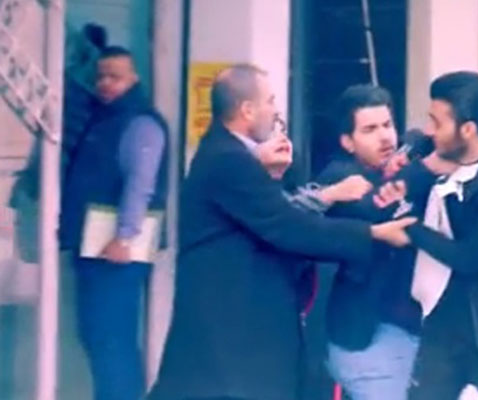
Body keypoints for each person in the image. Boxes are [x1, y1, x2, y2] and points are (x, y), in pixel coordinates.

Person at [148, 64, 416, 400]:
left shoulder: (233, 156)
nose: (275, 111)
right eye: (270, 101)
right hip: (229, 327)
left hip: (240, 333)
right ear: (247, 110)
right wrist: (372, 233)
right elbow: (288, 226)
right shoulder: (229, 160)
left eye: (387, 126)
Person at [378, 71, 478, 400]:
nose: (429, 130)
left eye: (437, 123)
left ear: (468, 129)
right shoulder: (441, 154)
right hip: (443, 327)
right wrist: (414, 162)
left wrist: (411, 229)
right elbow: (417, 142)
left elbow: (470, 257)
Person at [313, 85, 444, 400]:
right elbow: (378, 207)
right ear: (347, 141)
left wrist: (413, 149)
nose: (384, 137)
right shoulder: (341, 177)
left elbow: (419, 137)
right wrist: (421, 168)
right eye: (369, 130)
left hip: (409, 328)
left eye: (387, 125)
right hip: (368, 334)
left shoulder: (399, 165)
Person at [60, 46, 168, 400]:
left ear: (133, 79)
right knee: (98, 335)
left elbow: (140, 183)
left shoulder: (139, 123)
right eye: (101, 76)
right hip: (96, 248)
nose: (105, 83)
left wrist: (124, 236)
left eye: (115, 77)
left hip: (116, 252)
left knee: (111, 339)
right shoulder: (104, 118)